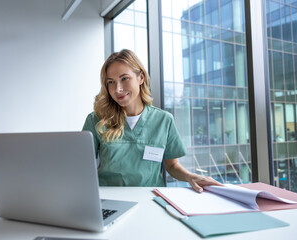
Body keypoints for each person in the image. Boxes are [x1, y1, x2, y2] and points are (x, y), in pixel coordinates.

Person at [82, 49, 222, 193]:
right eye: (111, 82)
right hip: (109, 199)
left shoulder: (163, 120)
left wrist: (191, 177)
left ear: (141, 77)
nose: (118, 89)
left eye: (124, 78)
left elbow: (172, 166)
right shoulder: (96, 120)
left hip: (150, 198)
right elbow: (80, 166)